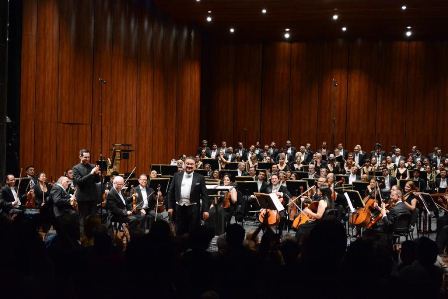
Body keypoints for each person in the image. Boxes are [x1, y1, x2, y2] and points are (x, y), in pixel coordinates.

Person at [167, 157, 209, 236]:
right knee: (179, 231)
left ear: (195, 166)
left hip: (193, 209)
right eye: (187, 164)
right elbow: (170, 192)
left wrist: (205, 210)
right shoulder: (176, 176)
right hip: (179, 208)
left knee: (193, 232)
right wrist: (170, 207)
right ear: (184, 165)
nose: (189, 166)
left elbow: (205, 195)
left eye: (191, 164)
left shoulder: (200, 178)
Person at [72, 149, 101, 229]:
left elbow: (97, 181)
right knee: (83, 219)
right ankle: (83, 238)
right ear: (80, 157)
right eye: (85, 157)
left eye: (88, 157)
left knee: (93, 219)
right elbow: (79, 182)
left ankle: (92, 237)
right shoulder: (76, 168)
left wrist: (97, 174)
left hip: (93, 196)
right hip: (82, 197)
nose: (87, 159)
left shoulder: (92, 166)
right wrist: (91, 173)